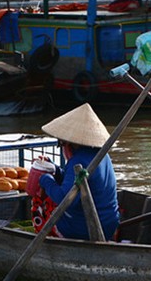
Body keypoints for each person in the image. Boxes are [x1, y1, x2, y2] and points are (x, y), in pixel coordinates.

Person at [35, 103, 120, 240]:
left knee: (41, 203)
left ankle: (52, 242)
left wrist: (45, 179)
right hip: (110, 224)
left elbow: (65, 199)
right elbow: (77, 185)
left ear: (69, 144)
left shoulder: (78, 161)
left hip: (87, 228)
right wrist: (55, 170)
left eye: (61, 144)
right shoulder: (102, 155)